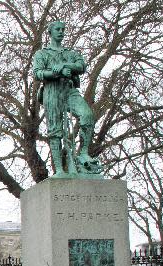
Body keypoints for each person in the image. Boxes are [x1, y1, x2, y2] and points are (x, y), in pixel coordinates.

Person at [33, 20, 101, 177]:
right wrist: (56, 73)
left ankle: (83, 153)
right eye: (58, 29)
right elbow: (37, 73)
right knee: (54, 131)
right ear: (50, 32)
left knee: (87, 115)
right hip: (52, 91)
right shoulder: (42, 54)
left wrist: (66, 66)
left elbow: (81, 65)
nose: (61, 31)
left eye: (63, 29)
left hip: (69, 90)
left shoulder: (70, 53)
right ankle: (60, 170)